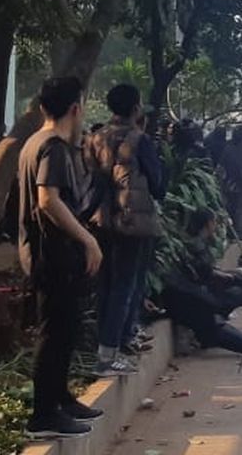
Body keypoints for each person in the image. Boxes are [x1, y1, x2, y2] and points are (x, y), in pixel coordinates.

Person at [17, 77, 105, 440]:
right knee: (55, 333)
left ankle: (61, 398)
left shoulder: (32, 143)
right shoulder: (52, 147)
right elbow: (47, 199)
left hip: (42, 252)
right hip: (51, 255)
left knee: (65, 329)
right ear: (76, 108)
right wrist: (89, 241)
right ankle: (43, 415)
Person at [88, 84, 165, 377]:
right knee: (125, 284)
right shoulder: (139, 139)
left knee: (106, 284)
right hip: (132, 222)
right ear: (135, 109)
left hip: (98, 221)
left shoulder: (94, 138)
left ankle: (108, 347)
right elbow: (158, 184)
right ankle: (110, 353)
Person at [159, 209, 242, 356]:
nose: (216, 226)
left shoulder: (191, 242)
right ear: (209, 224)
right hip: (189, 298)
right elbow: (209, 274)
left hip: (189, 294)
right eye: (215, 222)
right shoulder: (195, 246)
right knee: (213, 328)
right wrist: (237, 279)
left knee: (214, 320)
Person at [218, 126, 242, 235]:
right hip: (241, 183)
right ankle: (237, 232)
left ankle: (230, 232)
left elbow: (222, 165)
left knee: (230, 208)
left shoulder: (228, 148)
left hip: (230, 182)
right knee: (240, 209)